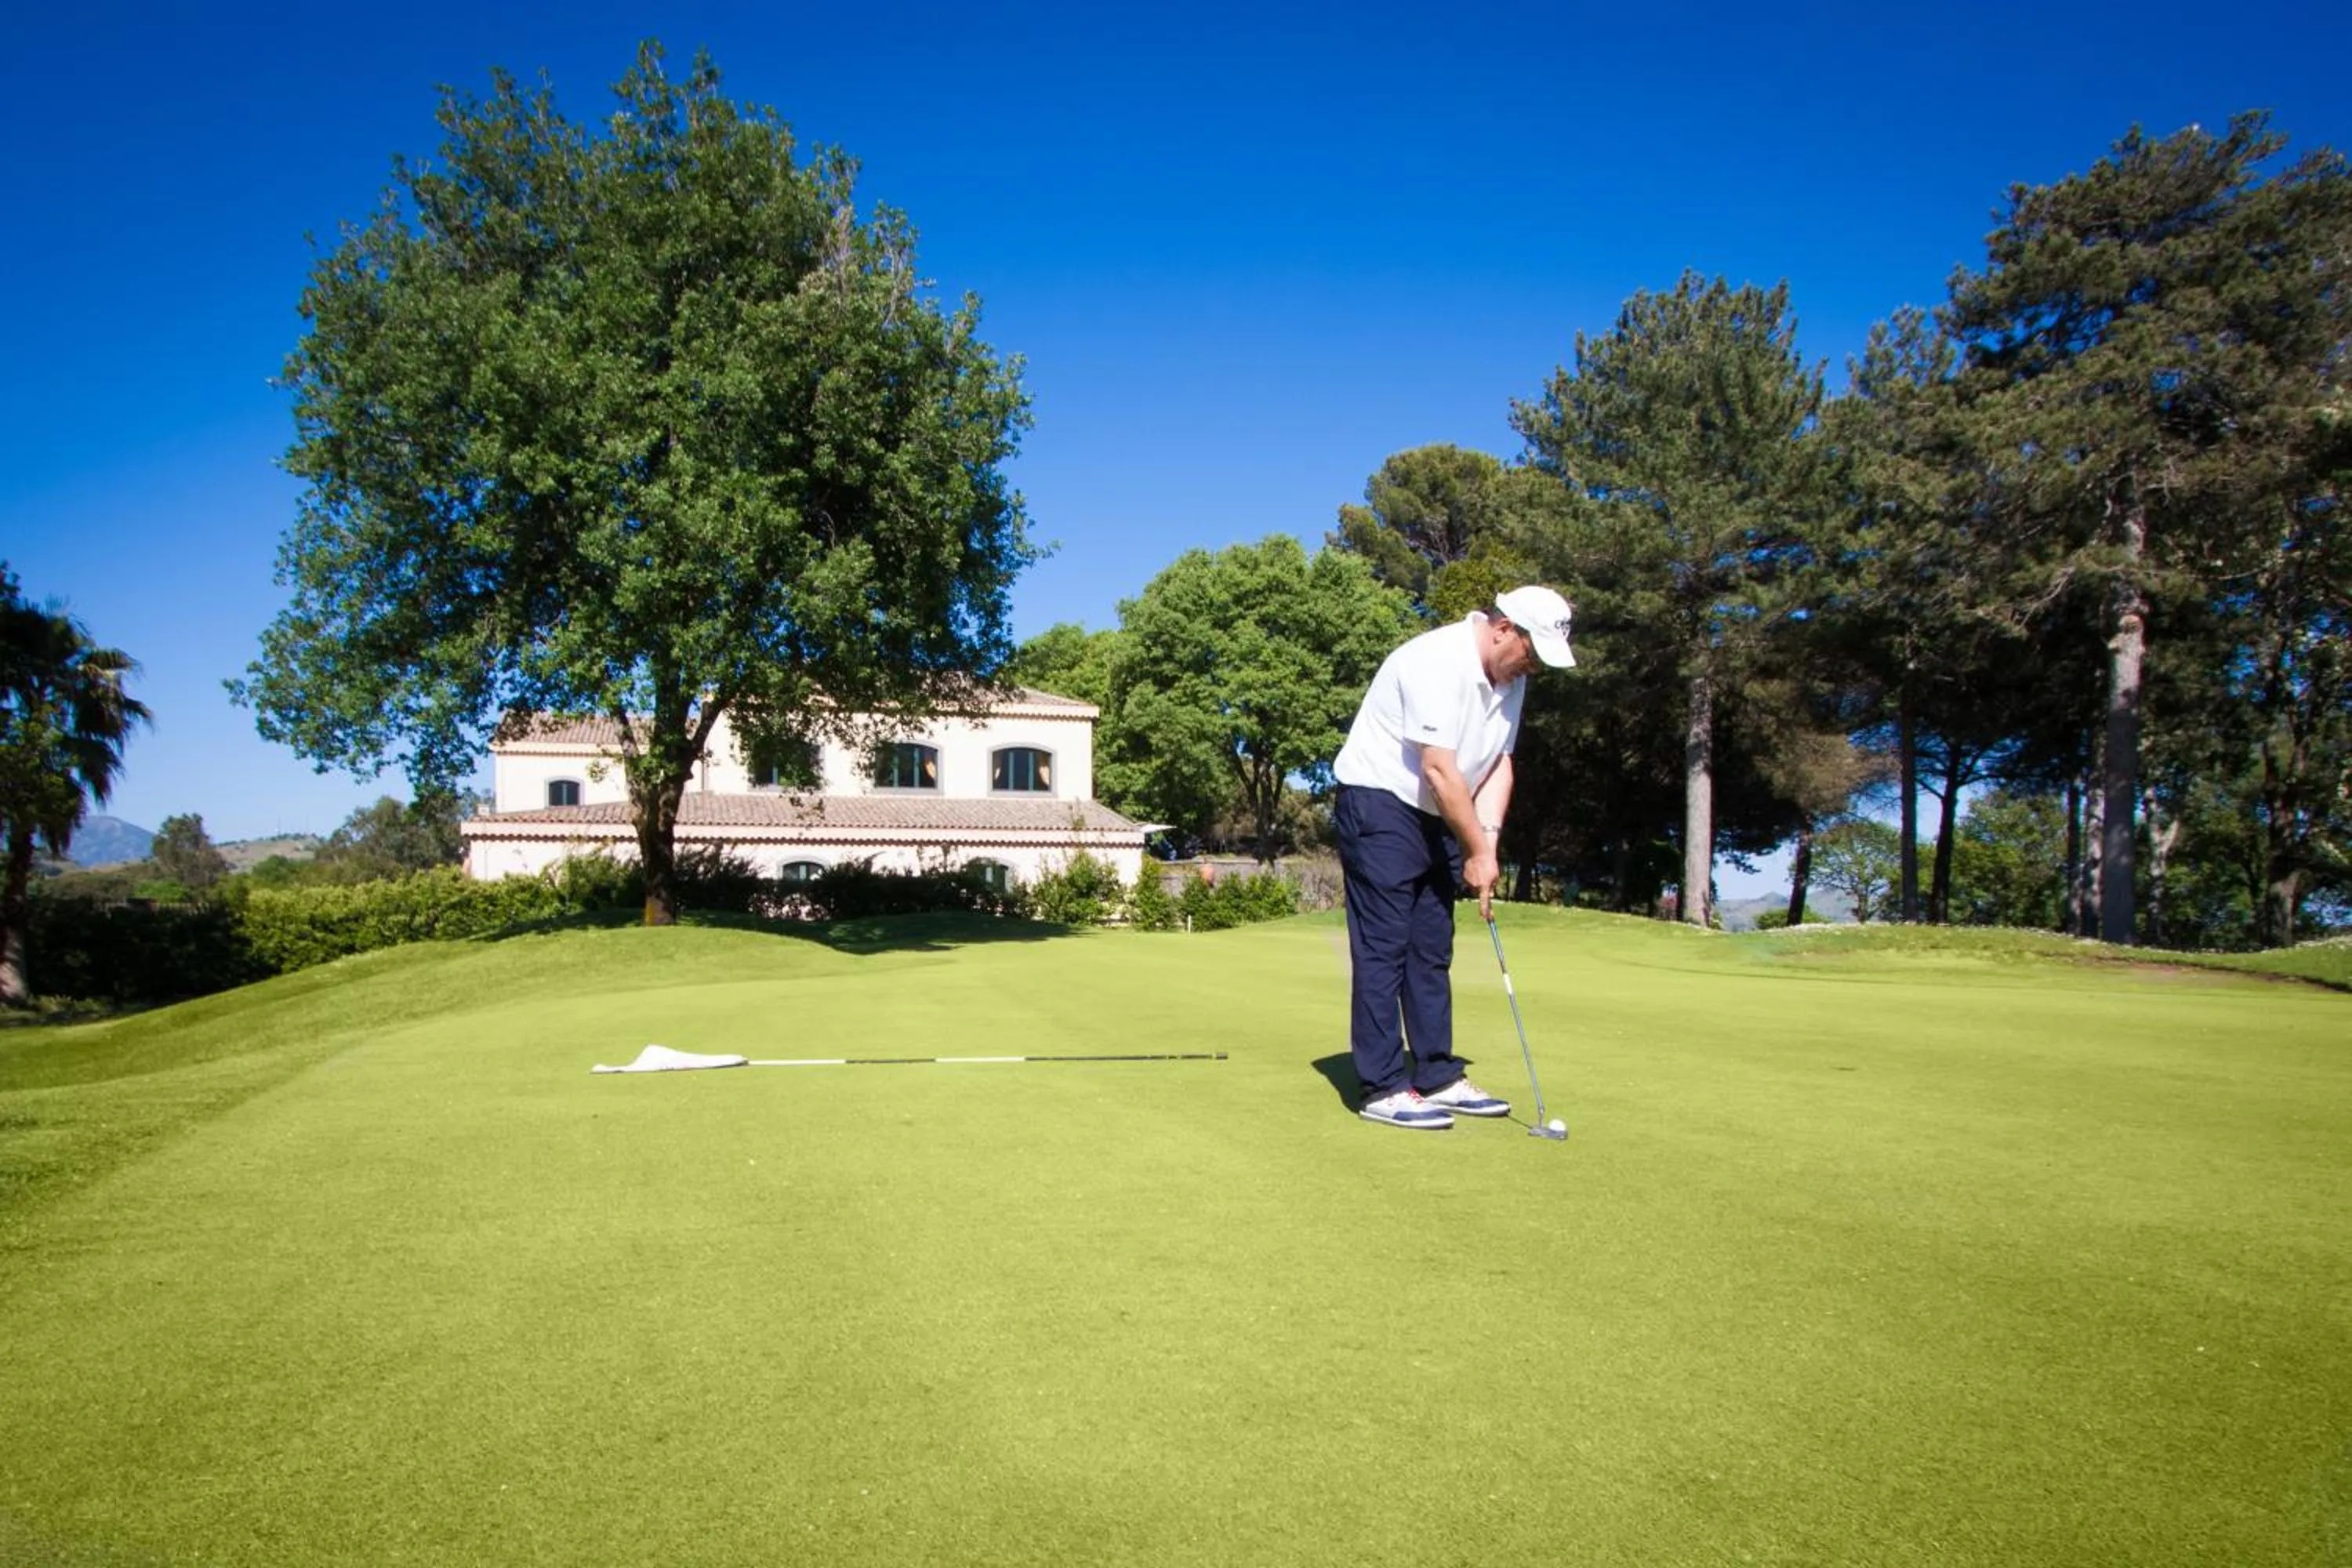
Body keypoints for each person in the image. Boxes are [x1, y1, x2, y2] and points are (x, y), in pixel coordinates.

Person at [1330, 585, 1577, 1129]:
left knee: (1431, 946)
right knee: (1384, 947)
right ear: (1503, 628)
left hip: (1441, 808)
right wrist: (1472, 848)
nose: (1532, 667)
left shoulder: (1510, 678)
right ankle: (1382, 1086)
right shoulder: (1435, 659)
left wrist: (1485, 846)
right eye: (1530, 652)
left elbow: (1496, 766)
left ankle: (1436, 1074)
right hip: (1380, 802)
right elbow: (1440, 769)